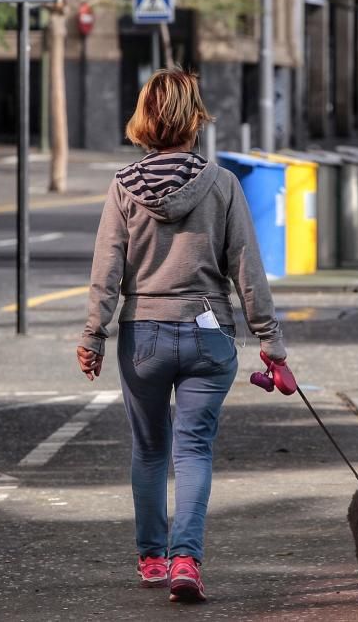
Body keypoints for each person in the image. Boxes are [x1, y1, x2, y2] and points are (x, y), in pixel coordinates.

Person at [77, 68, 286, 603]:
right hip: (207, 332)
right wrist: (271, 342)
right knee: (193, 451)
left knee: (149, 449)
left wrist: (93, 335)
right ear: (195, 119)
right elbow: (247, 271)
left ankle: (151, 557)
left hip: (142, 334)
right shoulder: (221, 184)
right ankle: (185, 560)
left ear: (145, 120)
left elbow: (107, 269)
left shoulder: (123, 187)